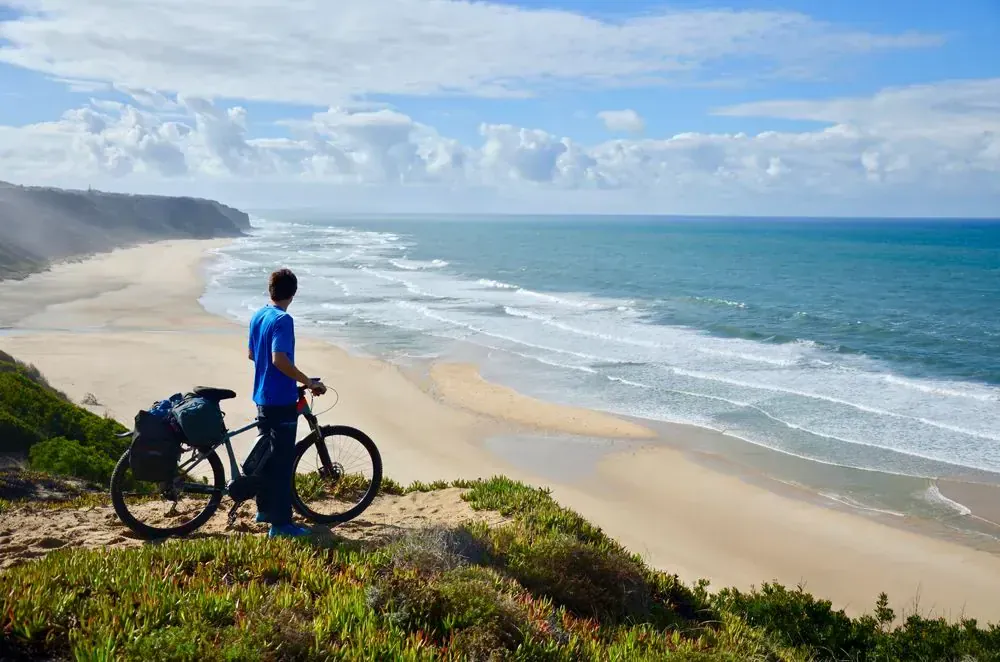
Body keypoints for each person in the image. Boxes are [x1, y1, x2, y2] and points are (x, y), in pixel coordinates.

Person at [247, 267, 327, 538]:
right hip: (281, 400)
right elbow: (279, 359)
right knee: (281, 464)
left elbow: (251, 354)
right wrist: (307, 380)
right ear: (293, 293)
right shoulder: (283, 320)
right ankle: (280, 525)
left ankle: (263, 510)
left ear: (271, 290)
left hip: (261, 396)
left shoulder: (259, 315)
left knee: (267, 460)